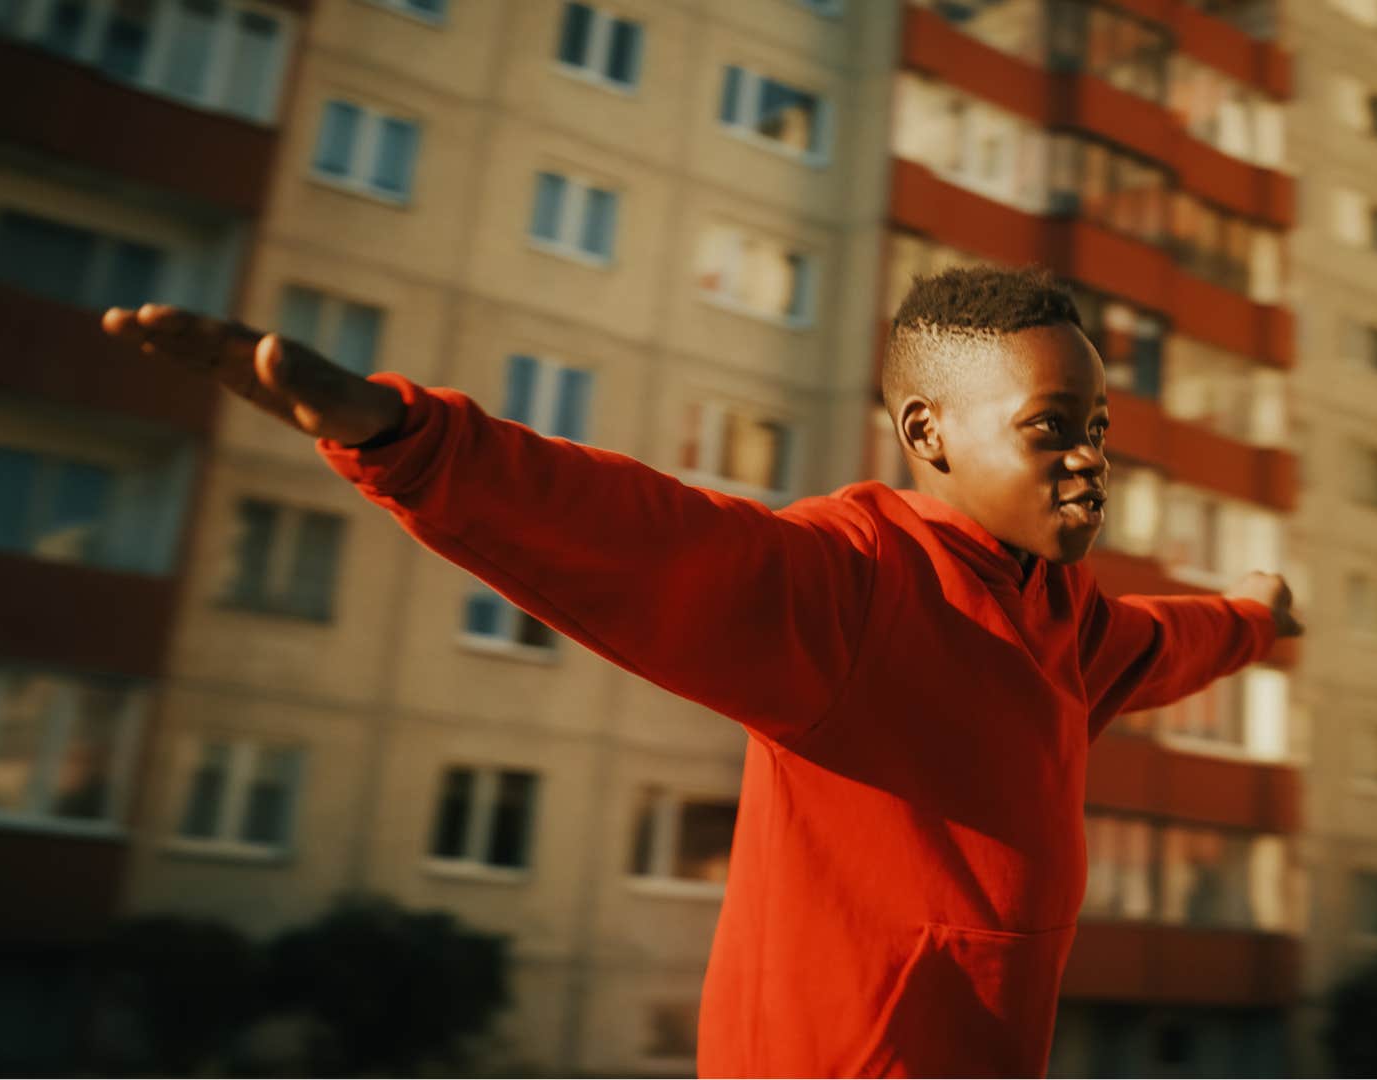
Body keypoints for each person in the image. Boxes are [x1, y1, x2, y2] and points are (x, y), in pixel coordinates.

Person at [100, 265, 1302, 1078]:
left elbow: (1171, 638)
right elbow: (646, 534)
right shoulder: (851, 585)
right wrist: (404, 436)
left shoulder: (1067, 623)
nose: (1091, 463)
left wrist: (1252, 613)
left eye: (1098, 431)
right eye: (1053, 428)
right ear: (928, 432)